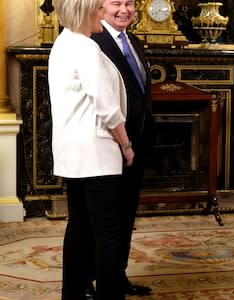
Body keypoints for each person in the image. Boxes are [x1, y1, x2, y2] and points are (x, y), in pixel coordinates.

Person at [49, 0, 133, 299]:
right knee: (108, 234)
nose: (103, 14)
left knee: (80, 227)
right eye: (99, 9)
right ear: (86, 11)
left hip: (73, 152)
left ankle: (71, 294)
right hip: (96, 153)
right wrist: (126, 144)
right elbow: (107, 107)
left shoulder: (62, 42)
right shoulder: (84, 47)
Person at [91, 0, 154, 296]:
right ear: (100, 7)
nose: (124, 9)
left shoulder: (135, 41)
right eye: (116, 3)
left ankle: (117, 275)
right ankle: (88, 281)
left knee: (126, 214)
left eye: (129, 3)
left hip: (135, 142)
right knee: (102, 220)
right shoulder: (93, 41)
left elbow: (140, 92)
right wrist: (122, 140)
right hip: (108, 143)